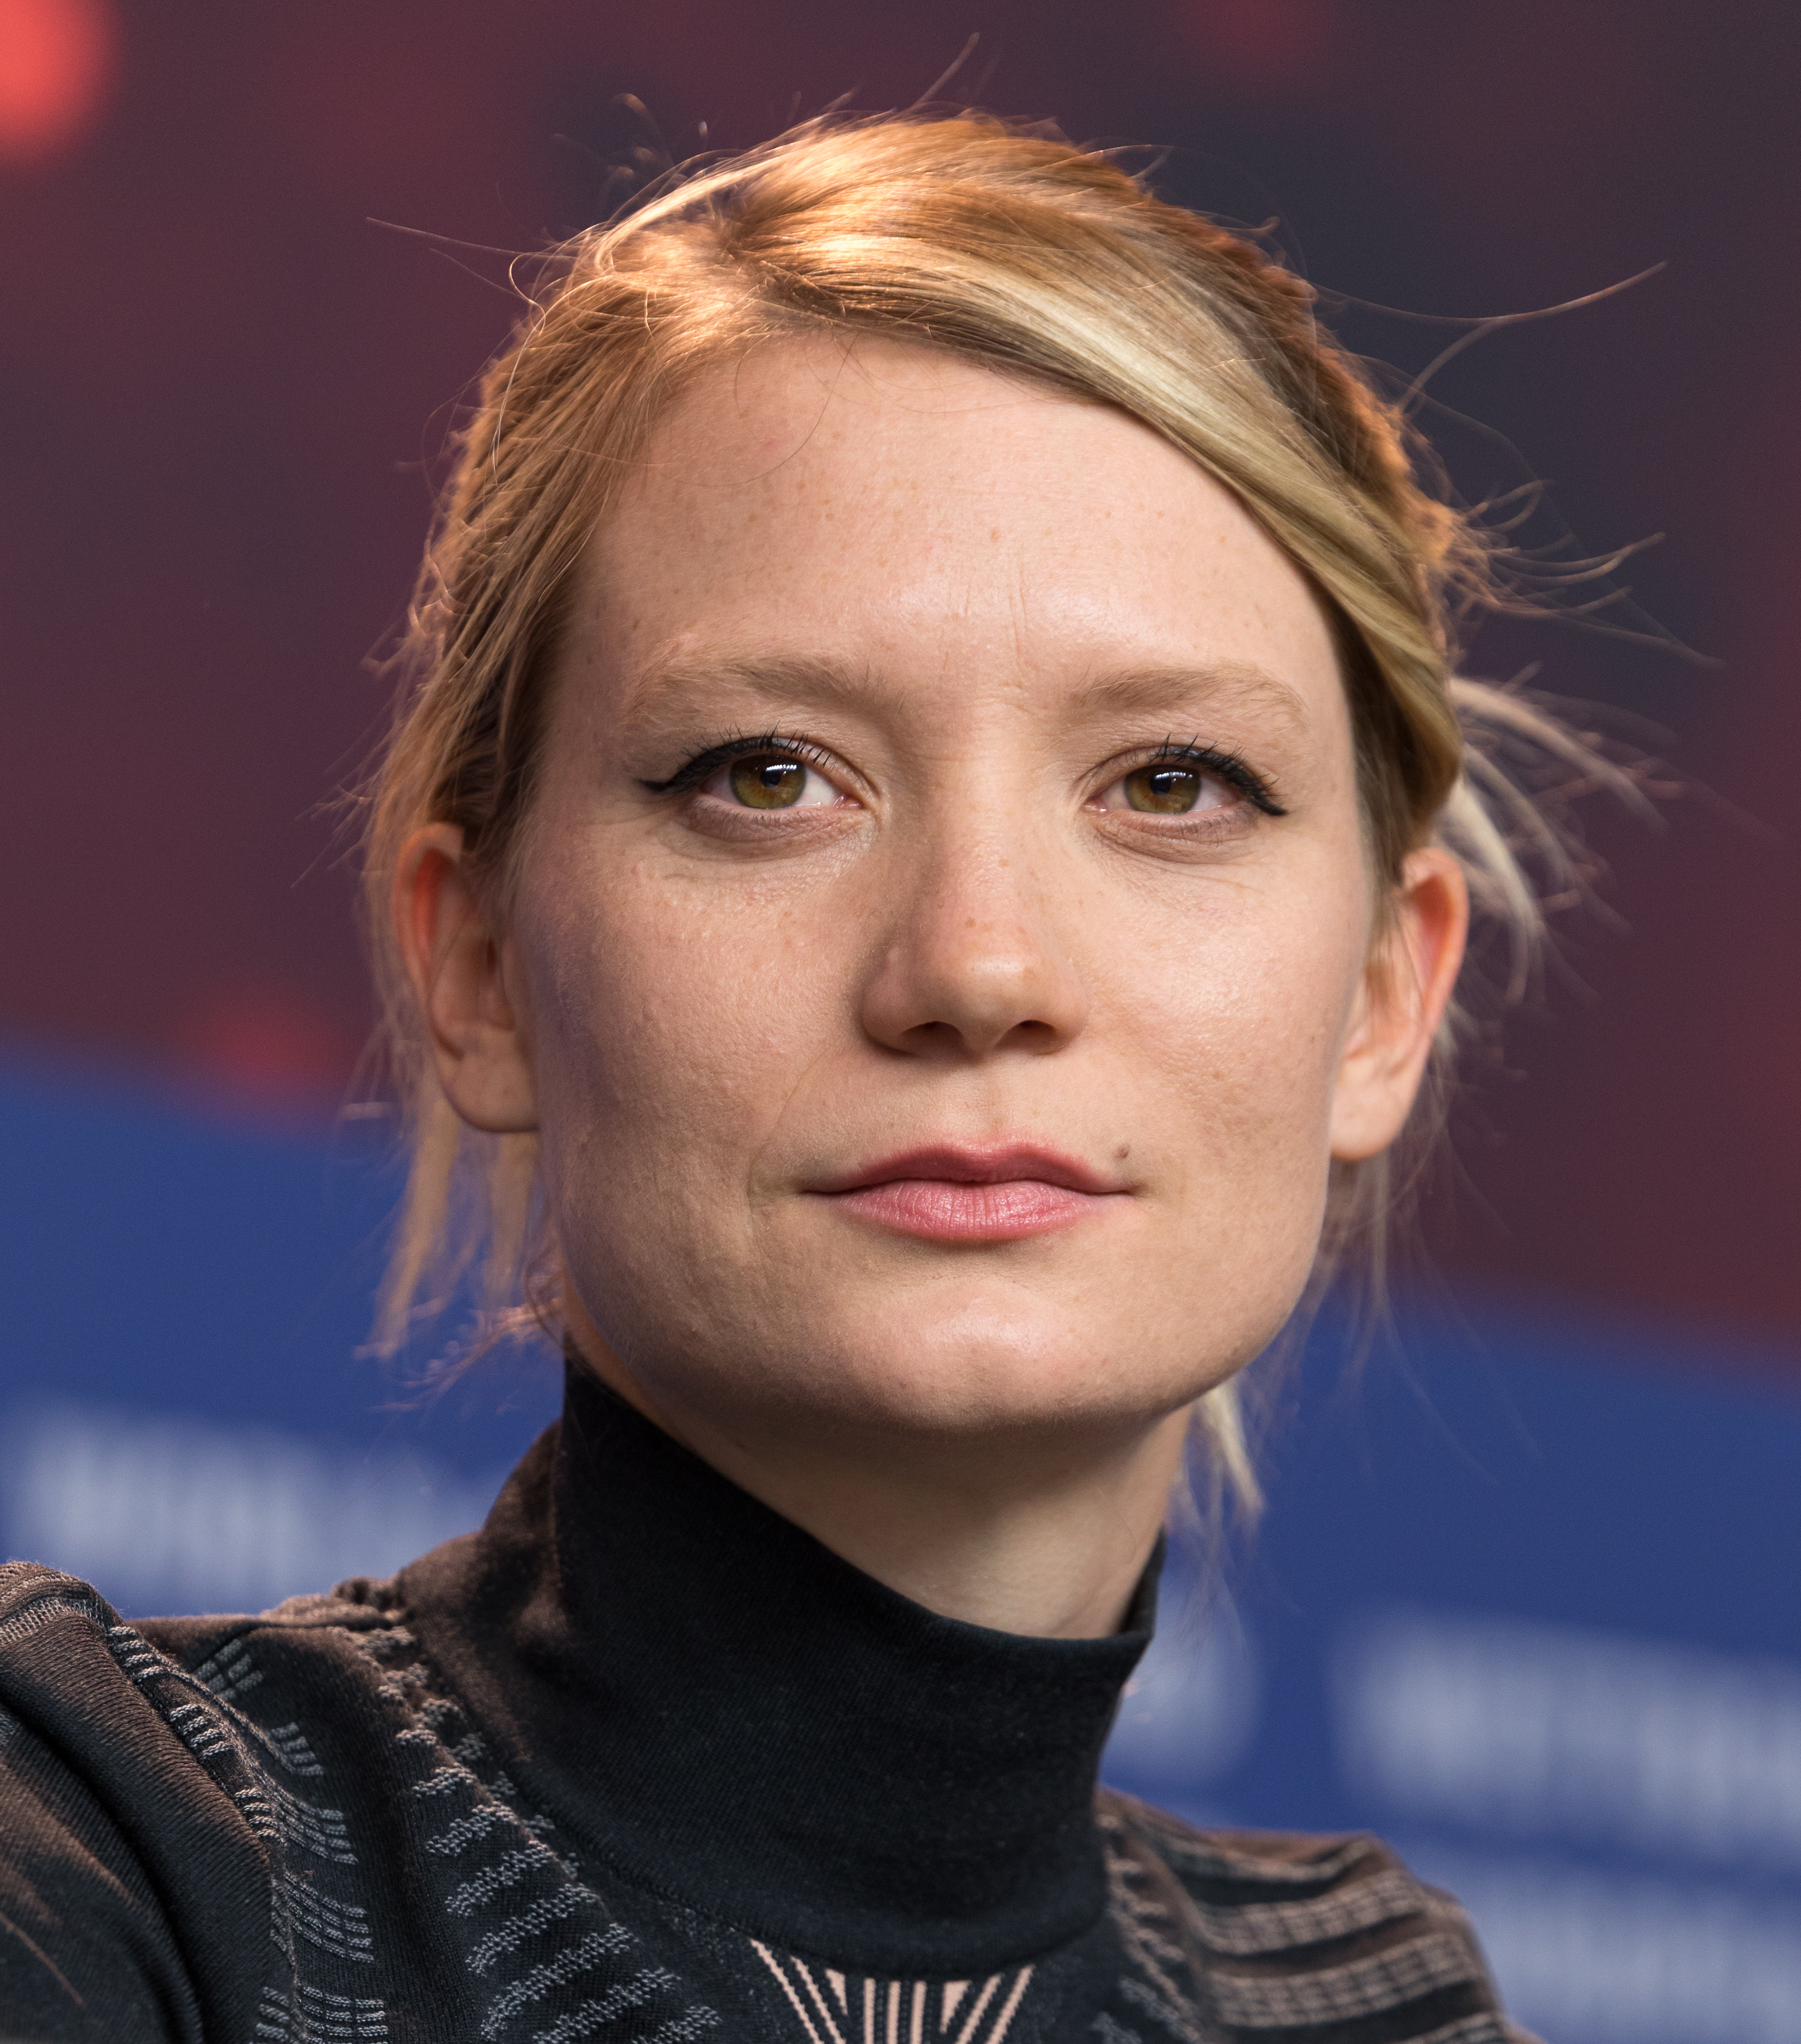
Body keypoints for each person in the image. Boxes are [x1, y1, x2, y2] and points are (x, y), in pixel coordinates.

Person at [0, 110, 1608, 2041]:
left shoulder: (1378, 2006)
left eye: (1171, 782)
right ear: (481, 962)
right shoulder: (99, 1855)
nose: (976, 966)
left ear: (1380, 997)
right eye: (769, 773)